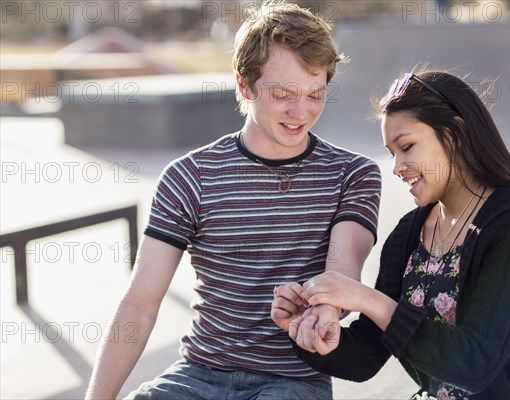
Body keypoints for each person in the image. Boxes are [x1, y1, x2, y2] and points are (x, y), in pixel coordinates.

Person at [85, 2, 381, 399]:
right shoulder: (188, 177)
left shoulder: (352, 175)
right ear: (244, 85)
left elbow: (342, 274)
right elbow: (140, 303)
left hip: (295, 382)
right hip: (198, 374)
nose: (301, 112)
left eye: (315, 94)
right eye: (283, 94)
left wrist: (325, 310)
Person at [274, 70, 510, 399]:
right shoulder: (408, 235)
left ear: (455, 133)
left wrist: (366, 298)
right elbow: (367, 357)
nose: (397, 166)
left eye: (407, 147)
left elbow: (474, 363)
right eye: (392, 153)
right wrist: (310, 332)